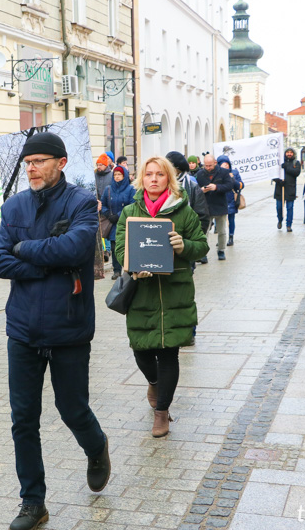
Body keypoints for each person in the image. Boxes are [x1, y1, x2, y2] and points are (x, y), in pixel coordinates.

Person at [0, 131, 110, 530]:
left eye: (39, 161)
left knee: (71, 408)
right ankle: (32, 502)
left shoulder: (81, 203)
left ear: (60, 163)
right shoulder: (15, 206)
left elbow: (75, 249)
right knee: (23, 418)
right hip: (22, 329)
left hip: (69, 328)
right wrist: (44, 264)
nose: (32, 169)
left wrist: (24, 249)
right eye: (27, 163)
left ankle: (96, 447)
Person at [115, 157, 208, 437]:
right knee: (141, 350)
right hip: (141, 294)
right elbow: (121, 248)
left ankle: (162, 412)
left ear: (169, 179)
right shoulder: (130, 212)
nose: (154, 179)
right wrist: (131, 264)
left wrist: (185, 245)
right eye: (148, 174)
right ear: (141, 179)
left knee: (169, 353)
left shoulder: (183, 212)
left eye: (160, 175)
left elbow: (201, 246)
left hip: (174, 293)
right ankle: (154, 381)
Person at [100, 165, 136, 279]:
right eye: (115, 175)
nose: (117, 177)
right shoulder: (108, 189)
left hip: (126, 223)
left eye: (119, 175)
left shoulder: (130, 189)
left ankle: (129, 268)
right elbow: (103, 204)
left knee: (127, 246)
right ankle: (116, 271)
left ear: (124, 175)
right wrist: (108, 215)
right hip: (112, 224)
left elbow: (132, 205)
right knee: (115, 247)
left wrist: (119, 215)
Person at [195, 154, 233, 261]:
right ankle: (203, 253)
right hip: (206, 207)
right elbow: (195, 189)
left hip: (220, 205)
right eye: (206, 165)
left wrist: (217, 187)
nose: (208, 168)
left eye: (210, 165)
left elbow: (229, 186)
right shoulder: (200, 174)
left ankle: (221, 250)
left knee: (221, 231)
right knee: (204, 232)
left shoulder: (224, 172)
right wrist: (201, 190)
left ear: (215, 163)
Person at [217, 156, 243, 247]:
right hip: (220, 199)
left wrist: (233, 179)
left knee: (231, 219)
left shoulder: (234, 173)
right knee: (220, 220)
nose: (225, 166)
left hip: (231, 199)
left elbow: (240, 185)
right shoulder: (216, 174)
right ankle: (221, 238)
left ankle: (231, 237)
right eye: (223, 165)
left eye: (227, 164)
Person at [273, 148, 301, 232]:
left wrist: (286, 168)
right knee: (279, 207)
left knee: (290, 208)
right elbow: (274, 174)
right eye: (287, 152)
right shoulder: (280, 162)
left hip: (290, 189)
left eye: (291, 152)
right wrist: (278, 181)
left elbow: (296, 172)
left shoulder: (296, 163)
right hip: (280, 189)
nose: (289, 154)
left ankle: (289, 225)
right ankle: (280, 219)